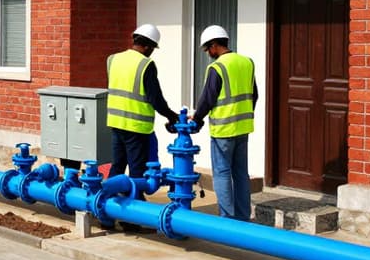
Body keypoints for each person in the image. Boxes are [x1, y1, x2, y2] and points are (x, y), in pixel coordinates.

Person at [190, 25, 258, 221]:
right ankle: (243, 217)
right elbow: (254, 95)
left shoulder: (217, 67)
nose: (207, 53)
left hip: (223, 130)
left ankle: (227, 220)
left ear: (214, 45)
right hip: (243, 128)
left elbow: (207, 99)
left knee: (221, 174)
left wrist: (196, 118)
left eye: (207, 49)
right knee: (240, 174)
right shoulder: (247, 62)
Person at [106, 24, 179, 201]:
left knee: (117, 167)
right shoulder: (146, 64)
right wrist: (172, 116)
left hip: (116, 122)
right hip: (136, 127)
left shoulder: (113, 59)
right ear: (147, 46)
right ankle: (131, 218)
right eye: (152, 48)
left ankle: (104, 212)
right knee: (137, 172)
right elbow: (156, 99)